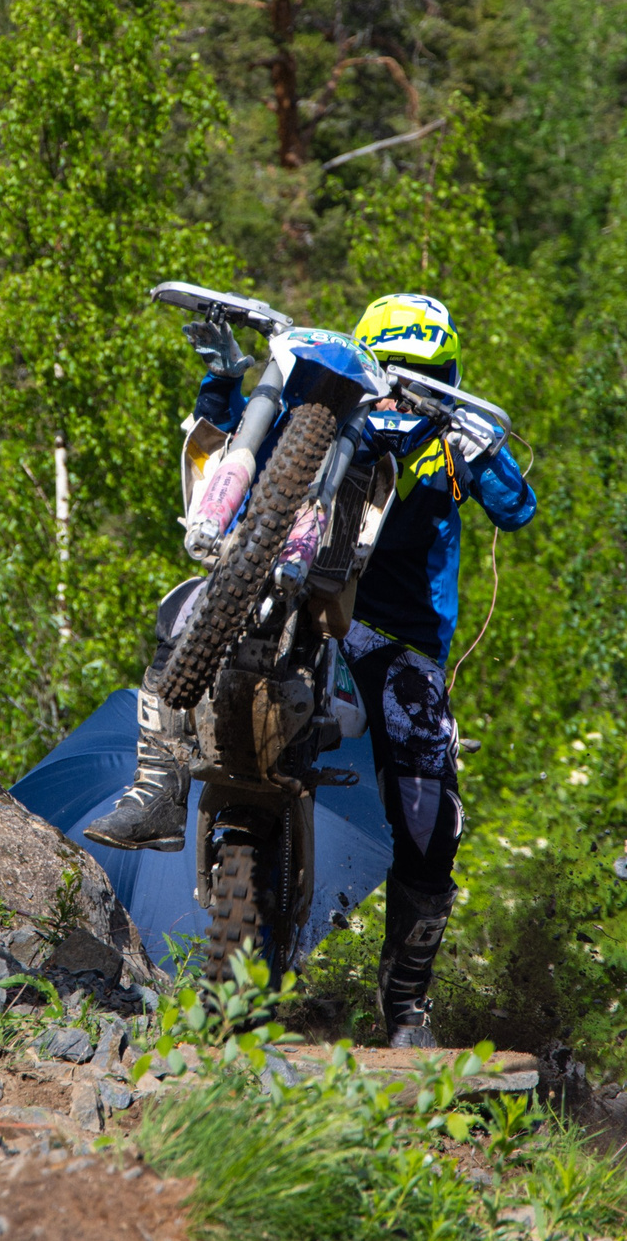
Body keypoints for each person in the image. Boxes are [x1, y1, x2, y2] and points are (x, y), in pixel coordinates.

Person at [84, 293, 537, 1048]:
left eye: (426, 371)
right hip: (280, 589)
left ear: (448, 374)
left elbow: (516, 510)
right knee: (184, 607)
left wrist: (485, 444)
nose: (404, 384)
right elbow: (232, 438)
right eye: (392, 367)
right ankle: (159, 784)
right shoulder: (326, 404)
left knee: (428, 800)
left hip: (394, 633)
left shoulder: (452, 443)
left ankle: (407, 1004)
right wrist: (224, 382)